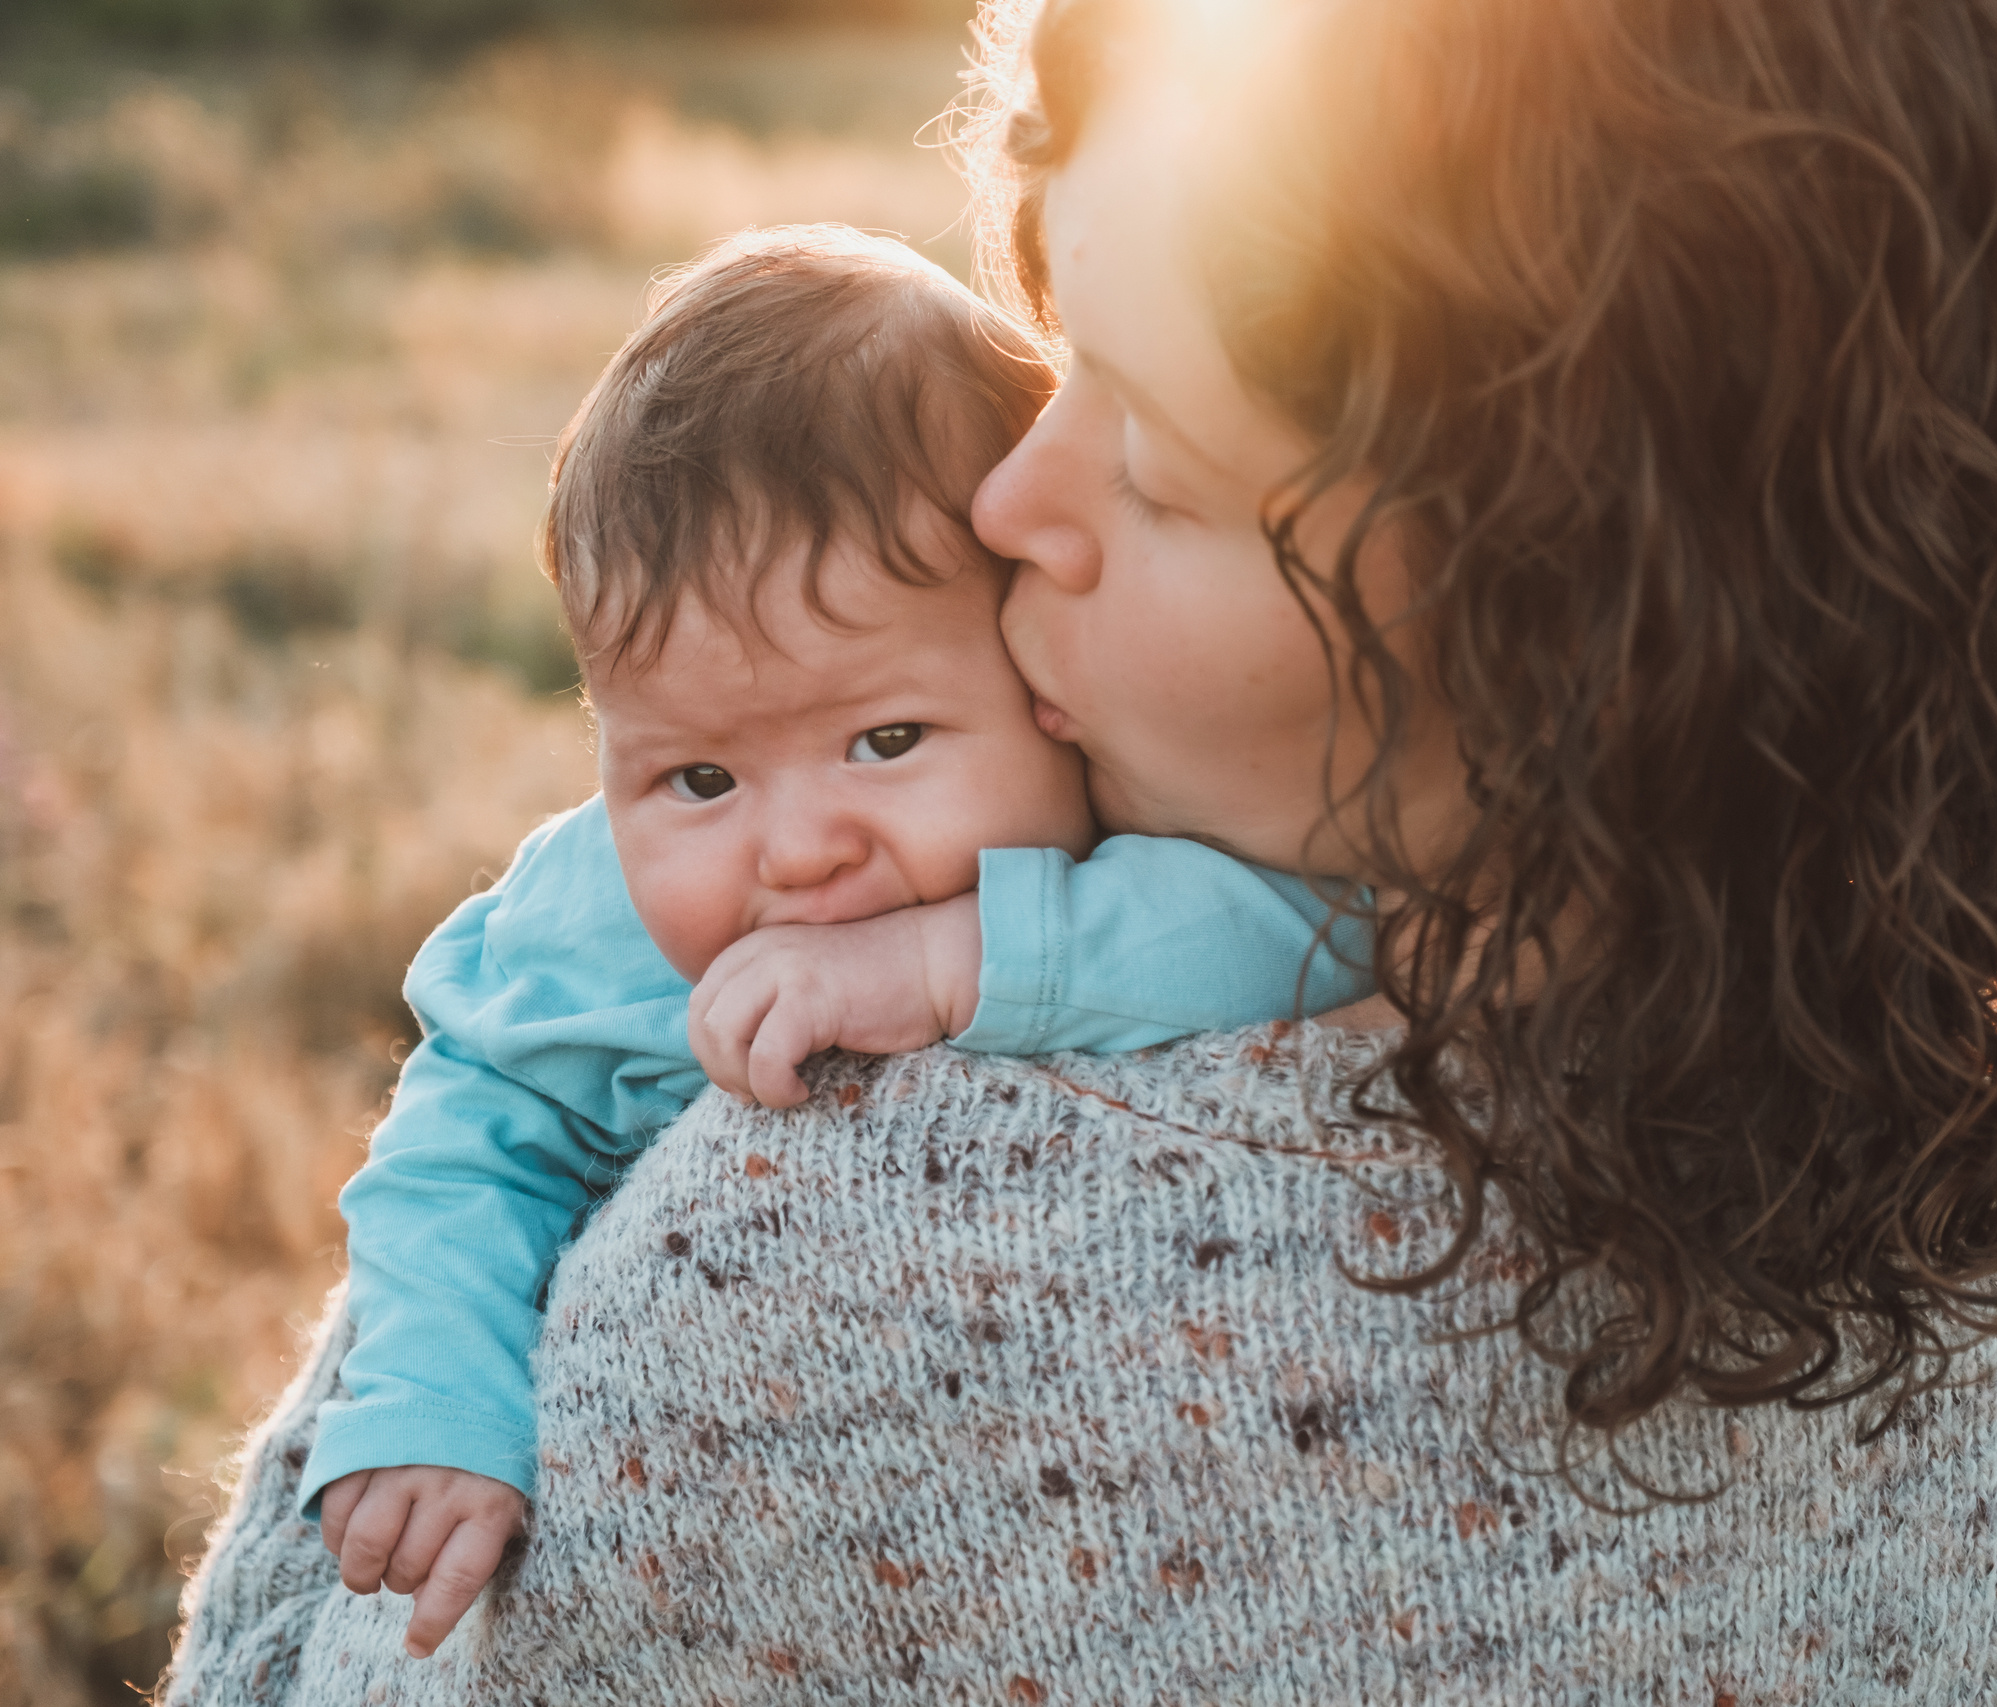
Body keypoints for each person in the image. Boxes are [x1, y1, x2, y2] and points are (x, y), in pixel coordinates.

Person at [165, 0, 1997, 1700]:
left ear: (1585, 624)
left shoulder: (829, 1250)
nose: (1010, 502)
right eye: (1052, 356)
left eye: (1167, 470)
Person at [298, 223, 1374, 1661]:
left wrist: (945, 964)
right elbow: (461, 1144)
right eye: (696, 778)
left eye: (884, 741)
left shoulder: (1123, 823)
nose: (797, 849)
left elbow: (1315, 936)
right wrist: (436, 1398)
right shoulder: (592, 917)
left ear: (1040, 671)